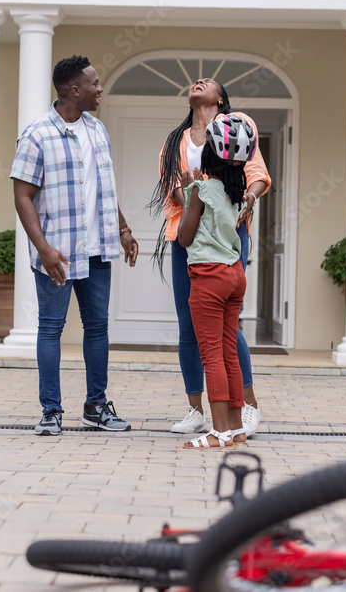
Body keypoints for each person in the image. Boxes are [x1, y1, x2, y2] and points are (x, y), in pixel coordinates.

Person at [11, 55, 140, 437]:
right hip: (59, 252)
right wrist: (44, 249)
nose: (101, 88)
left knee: (97, 326)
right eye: (95, 83)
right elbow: (22, 196)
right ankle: (51, 411)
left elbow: (104, 189)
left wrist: (123, 228)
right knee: (51, 328)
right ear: (75, 90)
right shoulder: (37, 134)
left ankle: (96, 408)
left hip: (98, 246)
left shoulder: (98, 130)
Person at [149, 78, 271, 437]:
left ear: (221, 98)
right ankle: (195, 410)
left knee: (226, 325)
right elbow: (172, 187)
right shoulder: (175, 142)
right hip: (185, 237)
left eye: (208, 82)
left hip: (229, 233)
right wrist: (195, 197)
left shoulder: (238, 124)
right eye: (194, 82)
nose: (198, 82)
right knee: (189, 326)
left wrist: (246, 200)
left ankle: (247, 406)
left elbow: (257, 174)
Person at [177, 114, 258, 449]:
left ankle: (219, 431)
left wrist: (187, 191)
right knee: (228, 352)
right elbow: (212, 222)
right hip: (234, 275)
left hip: (208, 277)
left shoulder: (202, 189)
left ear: (208, 156)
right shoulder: (238, 193)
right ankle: (237, 429)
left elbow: (184, 236)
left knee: (210, 353)